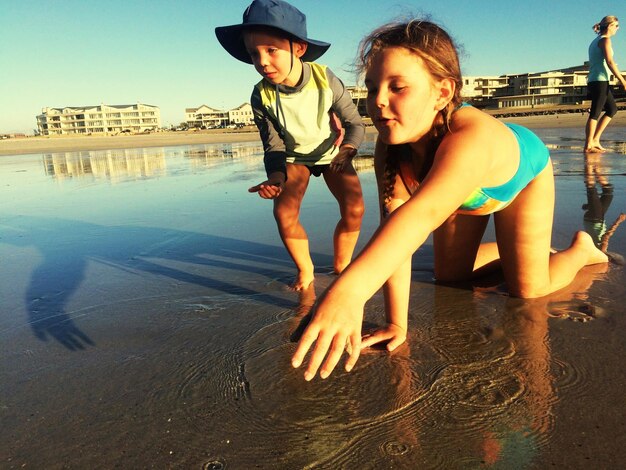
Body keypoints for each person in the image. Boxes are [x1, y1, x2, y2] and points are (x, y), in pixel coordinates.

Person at [291, 19, 609, 381]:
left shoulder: (471, 140)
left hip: (520, 179)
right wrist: (398, 323)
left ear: (442, 93)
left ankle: (580, 250)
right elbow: (398, 231)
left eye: (398, 88)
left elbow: (422, 214)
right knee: (450, 275)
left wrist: (347, 292)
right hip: (458, 196)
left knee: (528, 289)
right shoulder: (391, 146)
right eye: (372, 87)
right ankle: (521, 250)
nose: (378, 101)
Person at [215, 0, 365, 290]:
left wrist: (347, 150)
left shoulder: (325, 80)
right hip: (294, 158)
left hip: (332, 153)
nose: (263, 62)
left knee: (355, 208)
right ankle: (305, 269)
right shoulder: (261, 95)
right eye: (253, 54)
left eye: (272, 50)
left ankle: (342, 264)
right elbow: (273, 145)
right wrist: (276, 178)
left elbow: (355, 125)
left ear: (298, 47)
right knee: (283, 213)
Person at [584, 15, 626, 152]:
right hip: (599, 80)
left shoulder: (596, 41)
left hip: (597, 80)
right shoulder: (605, 40)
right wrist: (622, 80)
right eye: (616, 26)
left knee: (612, 109)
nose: (618, 29)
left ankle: (595, 140)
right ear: (609, 26)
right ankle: (589, 144)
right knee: (595, 112)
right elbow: (610, 61)